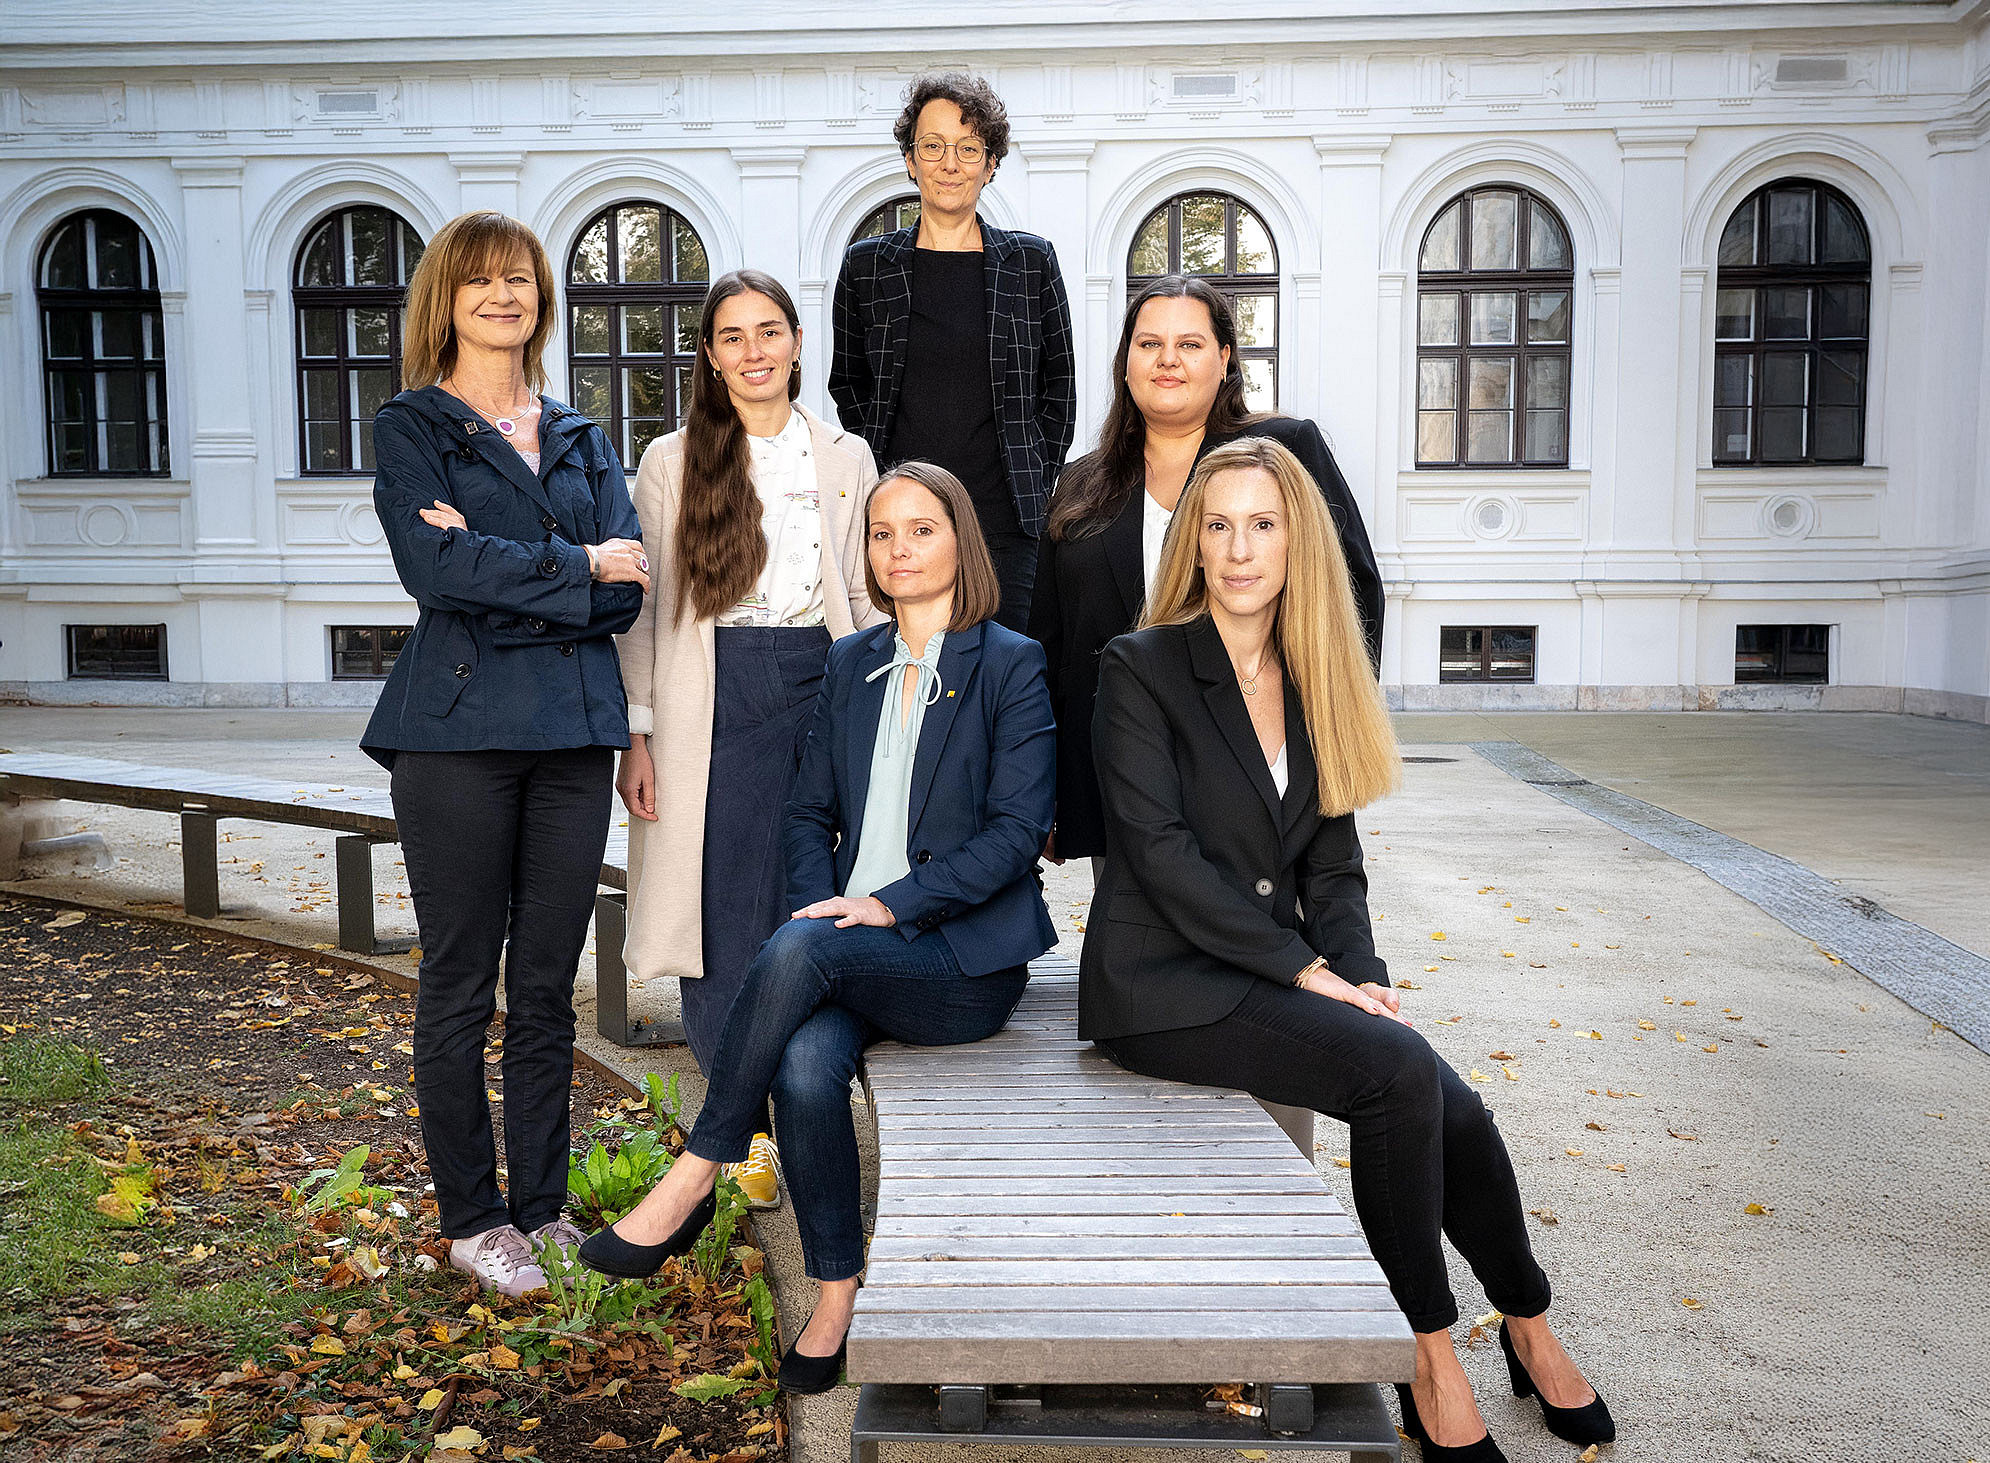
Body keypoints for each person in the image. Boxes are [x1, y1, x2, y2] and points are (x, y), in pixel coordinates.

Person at [1079, 437, 1613, 1461]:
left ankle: (1528, 1320)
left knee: (1451, 1099)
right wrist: (1306, 969)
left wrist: (1361, 975)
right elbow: (1158, 855)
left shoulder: (1315, 674)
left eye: (1262, 525)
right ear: (1195, 542)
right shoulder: (1139, 665)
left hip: (1261, 971)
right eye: (1219, 525)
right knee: (1395, 1076)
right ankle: (1428, 1359)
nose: (1240, 549)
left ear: (1297, 543)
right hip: (1162, 984)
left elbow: (1333, 869)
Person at [580, 462, 1056, 1394]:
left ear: (961, 539)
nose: (898, 548)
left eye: (921, 529)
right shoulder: (851, 661)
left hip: (959, 961)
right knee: (803, 1065)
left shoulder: (1010, 662)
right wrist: (822, 903)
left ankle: (699, 1165)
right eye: (881, 533)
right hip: (842, 948)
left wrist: (890, 903)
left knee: (801, 947)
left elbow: (1014, 834)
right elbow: (807, 816)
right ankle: (836, 1292)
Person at [360, 210, 651, 1296]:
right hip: (456, 736)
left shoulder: (579, 434)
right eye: (480, 279)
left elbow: (627, 591)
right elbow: (433, 573)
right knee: (458, 981)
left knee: (545, 988)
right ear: (446, 297)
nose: (503, 295)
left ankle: (540, 1206)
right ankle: (470, 1219)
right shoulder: (412, 426)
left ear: (542, 297)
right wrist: (576, 562)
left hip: (571, 735)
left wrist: (507, 568)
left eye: (521, 278)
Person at [615, 268, 885, 1211]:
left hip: (825, 681)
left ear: (798, 342)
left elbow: (869, 587)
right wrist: (639, 734)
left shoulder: (845, 454)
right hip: (714, 695)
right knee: (722, 909)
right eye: (732, 336)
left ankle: (811, 1094)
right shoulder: (672, 460)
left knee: (810, 898)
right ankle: (747, 1132)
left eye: (769, 331)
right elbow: (645, 612)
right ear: (710, 353)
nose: (754, 350)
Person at [1030, 274, 1383, 869]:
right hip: (1121, 774)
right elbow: (1049, 641)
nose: (1167, 359)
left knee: (1270, 920)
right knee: (1136, 921)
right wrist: (1045, 786)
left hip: (1261, 759)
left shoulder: (1281, 450)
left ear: (1224, 359)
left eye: (1189, 344)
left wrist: (1334, 730)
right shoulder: (1081, 483)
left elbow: (1354, 590)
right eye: (1149, 344)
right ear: (1125, 363)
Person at [829, 71, 1076, 633]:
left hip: (1006, 523)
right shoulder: (867, 266)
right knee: (911, 663)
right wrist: (884, 475)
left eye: (968, 148)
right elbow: (848, 384)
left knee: (1004, 669)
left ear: (990, 165)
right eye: (933, 146)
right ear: (910, 160)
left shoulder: (1031, 263)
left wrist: (1035, 478)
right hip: (904, 522)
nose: (950, 163)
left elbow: (1059, 389)